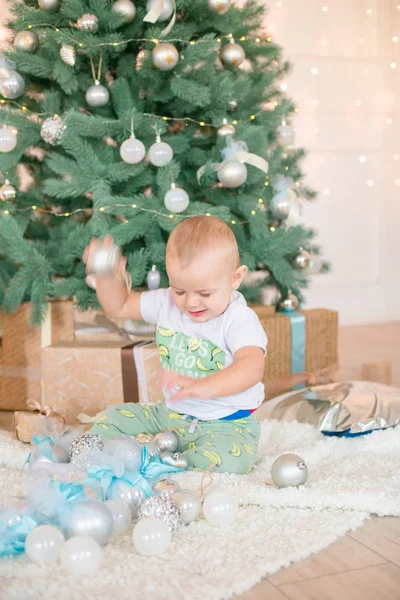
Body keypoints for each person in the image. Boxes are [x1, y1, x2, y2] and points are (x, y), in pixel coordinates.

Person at [83, 216, 267, 474]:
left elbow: (252, 367)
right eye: (180, 290)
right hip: (171, 415)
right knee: (114, 417)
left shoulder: (239, 319)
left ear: (235, 278)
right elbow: (120, 306)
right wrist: (106, 275)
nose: (191, 303)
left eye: (205, 293)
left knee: (230, 459)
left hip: (226, 422)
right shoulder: (166, 303)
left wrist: (205, 387)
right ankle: (149, 453)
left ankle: (160, 462)